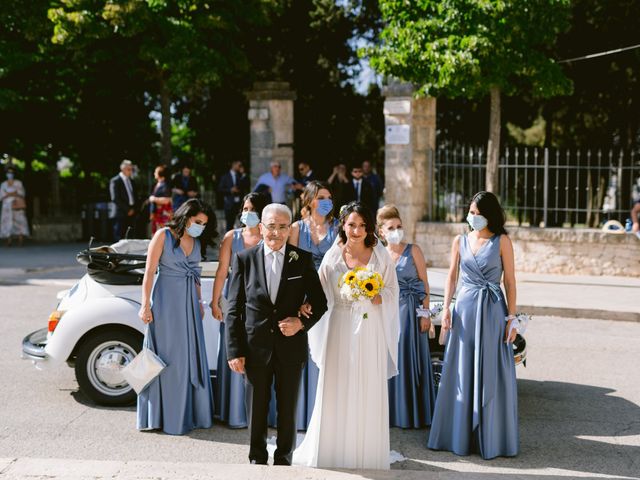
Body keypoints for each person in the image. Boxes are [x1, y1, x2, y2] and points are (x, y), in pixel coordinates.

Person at [294, 202, 400, 470]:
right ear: (343, 225)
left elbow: (392, 291)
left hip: (370, 328)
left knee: (366, 381)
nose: (357, 230)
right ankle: (333, 450)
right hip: (340, 325)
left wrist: (377, 296)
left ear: (369, 228)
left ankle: (365, 452)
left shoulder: (380, 255)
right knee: (338, 382)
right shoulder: (333, 256)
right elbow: (319, 291)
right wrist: (306, 304)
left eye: (363, 225)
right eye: (352, 224)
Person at [225, 203, 328, 465]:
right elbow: (233, 309)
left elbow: (320, 301)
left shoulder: (301, 260)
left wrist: (301, 323)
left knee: (287, 410)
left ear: (289, 228)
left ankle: (284, 460)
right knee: (257, 409)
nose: (277, 232)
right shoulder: (243, 259)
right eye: (271, 226)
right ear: (261, 228)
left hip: (290, 348)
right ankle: (256, 459)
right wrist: (234, 351)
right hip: (254, 348)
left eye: (283, 227)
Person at [427, 191, 519, 459]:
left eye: (478, 213)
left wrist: (511, 318)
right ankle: (458, 434)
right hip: (465, 310)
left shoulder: (502, 241)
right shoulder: (460, 240)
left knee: (489, 369)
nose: (473, 217)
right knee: (461, 370)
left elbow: (510, 282)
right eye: (471, 213)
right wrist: (445, 308)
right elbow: (451, 277)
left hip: (491, 310)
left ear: (490, 214)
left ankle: (490, 436)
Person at [137, 198, 214, 435]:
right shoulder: (163, 235)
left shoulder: (197, 241)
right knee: (166, 358)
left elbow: (196, 275)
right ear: (186, 216)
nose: (200, 226)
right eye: (197, 221)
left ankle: (188, 413)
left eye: (204, 223)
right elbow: (149, 272)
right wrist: (144, 305)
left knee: (188, 357)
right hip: (165, 302)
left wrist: (200, 303)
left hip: (190, 304)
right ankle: (162, 416)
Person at [211, 193, 268, 428]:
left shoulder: (270, 237)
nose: (247, 213)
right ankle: (234, 412)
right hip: (234, 300)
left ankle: (260, 412)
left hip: (261, 302)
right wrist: (215, 301)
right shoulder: (231, 237)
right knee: (235, 348)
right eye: (245, 208)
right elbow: (222, 271)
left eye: (253, 209)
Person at [286, 181, 339, 429]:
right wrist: (299, 299)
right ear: (309, 201)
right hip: (304, 296)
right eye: (321, 197)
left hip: (331, 293)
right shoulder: (297, 228)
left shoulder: (339, 228)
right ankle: (302, 412)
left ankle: (328, 415)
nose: (327, 201)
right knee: (305, 351)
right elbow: (291, 265)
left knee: (330, 347)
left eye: (329, 197)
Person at [377, 205, 435, 428]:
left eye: (399, 226)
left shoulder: (414, 250)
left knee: (409, 360)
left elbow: (424, 283)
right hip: (388, 314)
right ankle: (390, 413)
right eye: (391, 227)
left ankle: (413, 413)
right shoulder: (379, 254)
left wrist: (425, 314)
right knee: (390, 359)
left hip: (411, 313)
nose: (396, 230)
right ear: (381, 231)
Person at [0, 166, 30, 246]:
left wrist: (9, 193)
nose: (10, 174)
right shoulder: (3, 184)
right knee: (7, 222)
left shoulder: (18, 183)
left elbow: (21, 193)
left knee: (20, 221)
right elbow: (2, 195)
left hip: (17, 204)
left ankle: (21, 240)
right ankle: (8, 240)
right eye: (8, 173)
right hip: (7, 206)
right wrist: (13, 193)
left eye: (11, 173)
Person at [109, 160, 137, 241]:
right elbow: (115, 198)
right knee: (119, 239)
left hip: (131, 213)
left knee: (129, 238)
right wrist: (127, 210)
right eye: (129, 169)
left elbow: (134, 197)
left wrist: (133, 209)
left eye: (132, 169)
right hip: (120, 213)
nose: (131, 171)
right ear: (123, 169)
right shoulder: (115, 180)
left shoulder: (131, 181)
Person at [218, 160, 250, 232]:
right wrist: (230, 190)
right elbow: (220, 189)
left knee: (243, 223)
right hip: (229, 204)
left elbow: (247, 185)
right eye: (239, 165)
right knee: (229, 225)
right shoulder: (225, 176)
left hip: (240, 204)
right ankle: (229, 241)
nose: (240, 167)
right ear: (234, 165)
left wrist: (243, 174)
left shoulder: (241, 176)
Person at [148, 165, 173, 234]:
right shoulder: (158, 184)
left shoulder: (165, 185)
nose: (154, 173)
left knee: (162, 234)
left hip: (163, 215)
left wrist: (153, 199)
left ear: (160, 173)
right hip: (157, 214)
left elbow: (167, 200)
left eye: (155, 171)